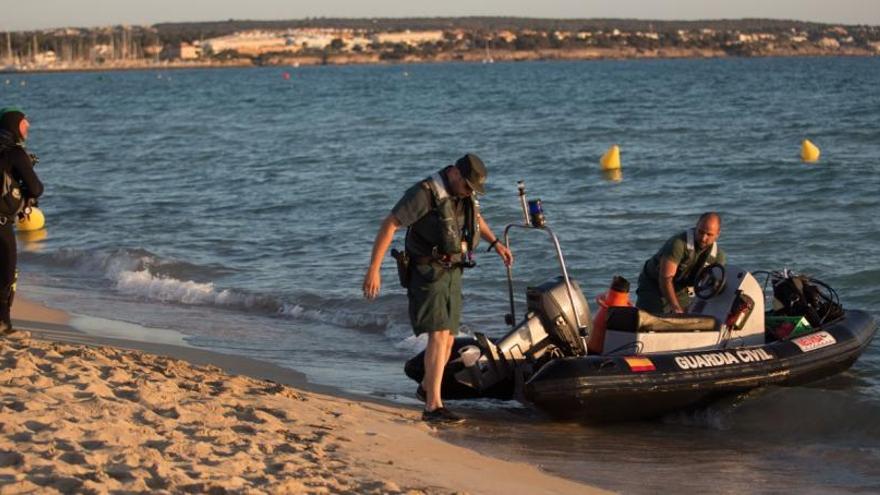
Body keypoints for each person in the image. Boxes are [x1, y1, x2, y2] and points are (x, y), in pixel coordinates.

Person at [363, 153, 513, 424]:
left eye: (473, 188)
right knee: (439, 334)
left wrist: (496, 243)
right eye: (467, 185)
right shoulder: (424, 193)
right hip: (427, 272)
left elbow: (476, 219)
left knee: (449, 337)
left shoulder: (463, 194)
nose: (469, 191)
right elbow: (390, 224)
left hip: (453, 271)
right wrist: (374, 269)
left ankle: (426, 389)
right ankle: (433, 406)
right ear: (454, 173)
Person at [0, 107, 43, 334]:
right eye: (24, 122)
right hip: (1, 224)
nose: (28, 126)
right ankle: (3, 323)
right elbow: (36, 188)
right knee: (6, 274)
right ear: (14, 125)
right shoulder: (15, 153)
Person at [636, 212, 725, 314]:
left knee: (689, 318)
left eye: (709, 234)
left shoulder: (718, 256)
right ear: (696, 226)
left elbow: (711, 289)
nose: (703, 238)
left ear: (717, 234)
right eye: (700, 232)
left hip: (683, 291)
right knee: (652, 318)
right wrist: (676, 308)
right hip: (654, 285)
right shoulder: (678, 244)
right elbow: (665, 279)